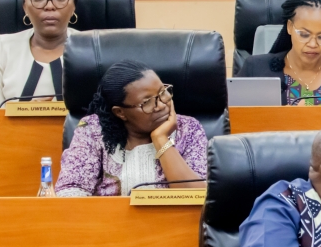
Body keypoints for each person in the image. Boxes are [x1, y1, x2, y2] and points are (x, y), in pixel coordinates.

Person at [55, 61, 208, 196]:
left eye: (163, 92)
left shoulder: (188, 129)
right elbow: (70, 190)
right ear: (120, 112)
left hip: (175, 226)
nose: (161, 105)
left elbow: (199, 196)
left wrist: (161, 140)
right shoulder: (93, 130)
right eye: (147, 102)